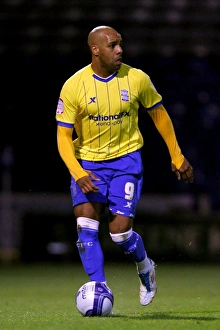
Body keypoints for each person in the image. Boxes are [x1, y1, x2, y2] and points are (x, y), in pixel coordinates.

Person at [55, 25, 194, 307]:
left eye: (121, 44)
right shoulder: (73, 85)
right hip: (88, 162)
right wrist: (78, 172)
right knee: (85, 228)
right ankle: (99, 288)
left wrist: (176, 155)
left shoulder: (137, 78)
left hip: (125, 161)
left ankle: (145, 268)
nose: (120, 50)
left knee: (119, 234)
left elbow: (160, 114)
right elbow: (62, 136)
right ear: (95, 50)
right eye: (112, 45)